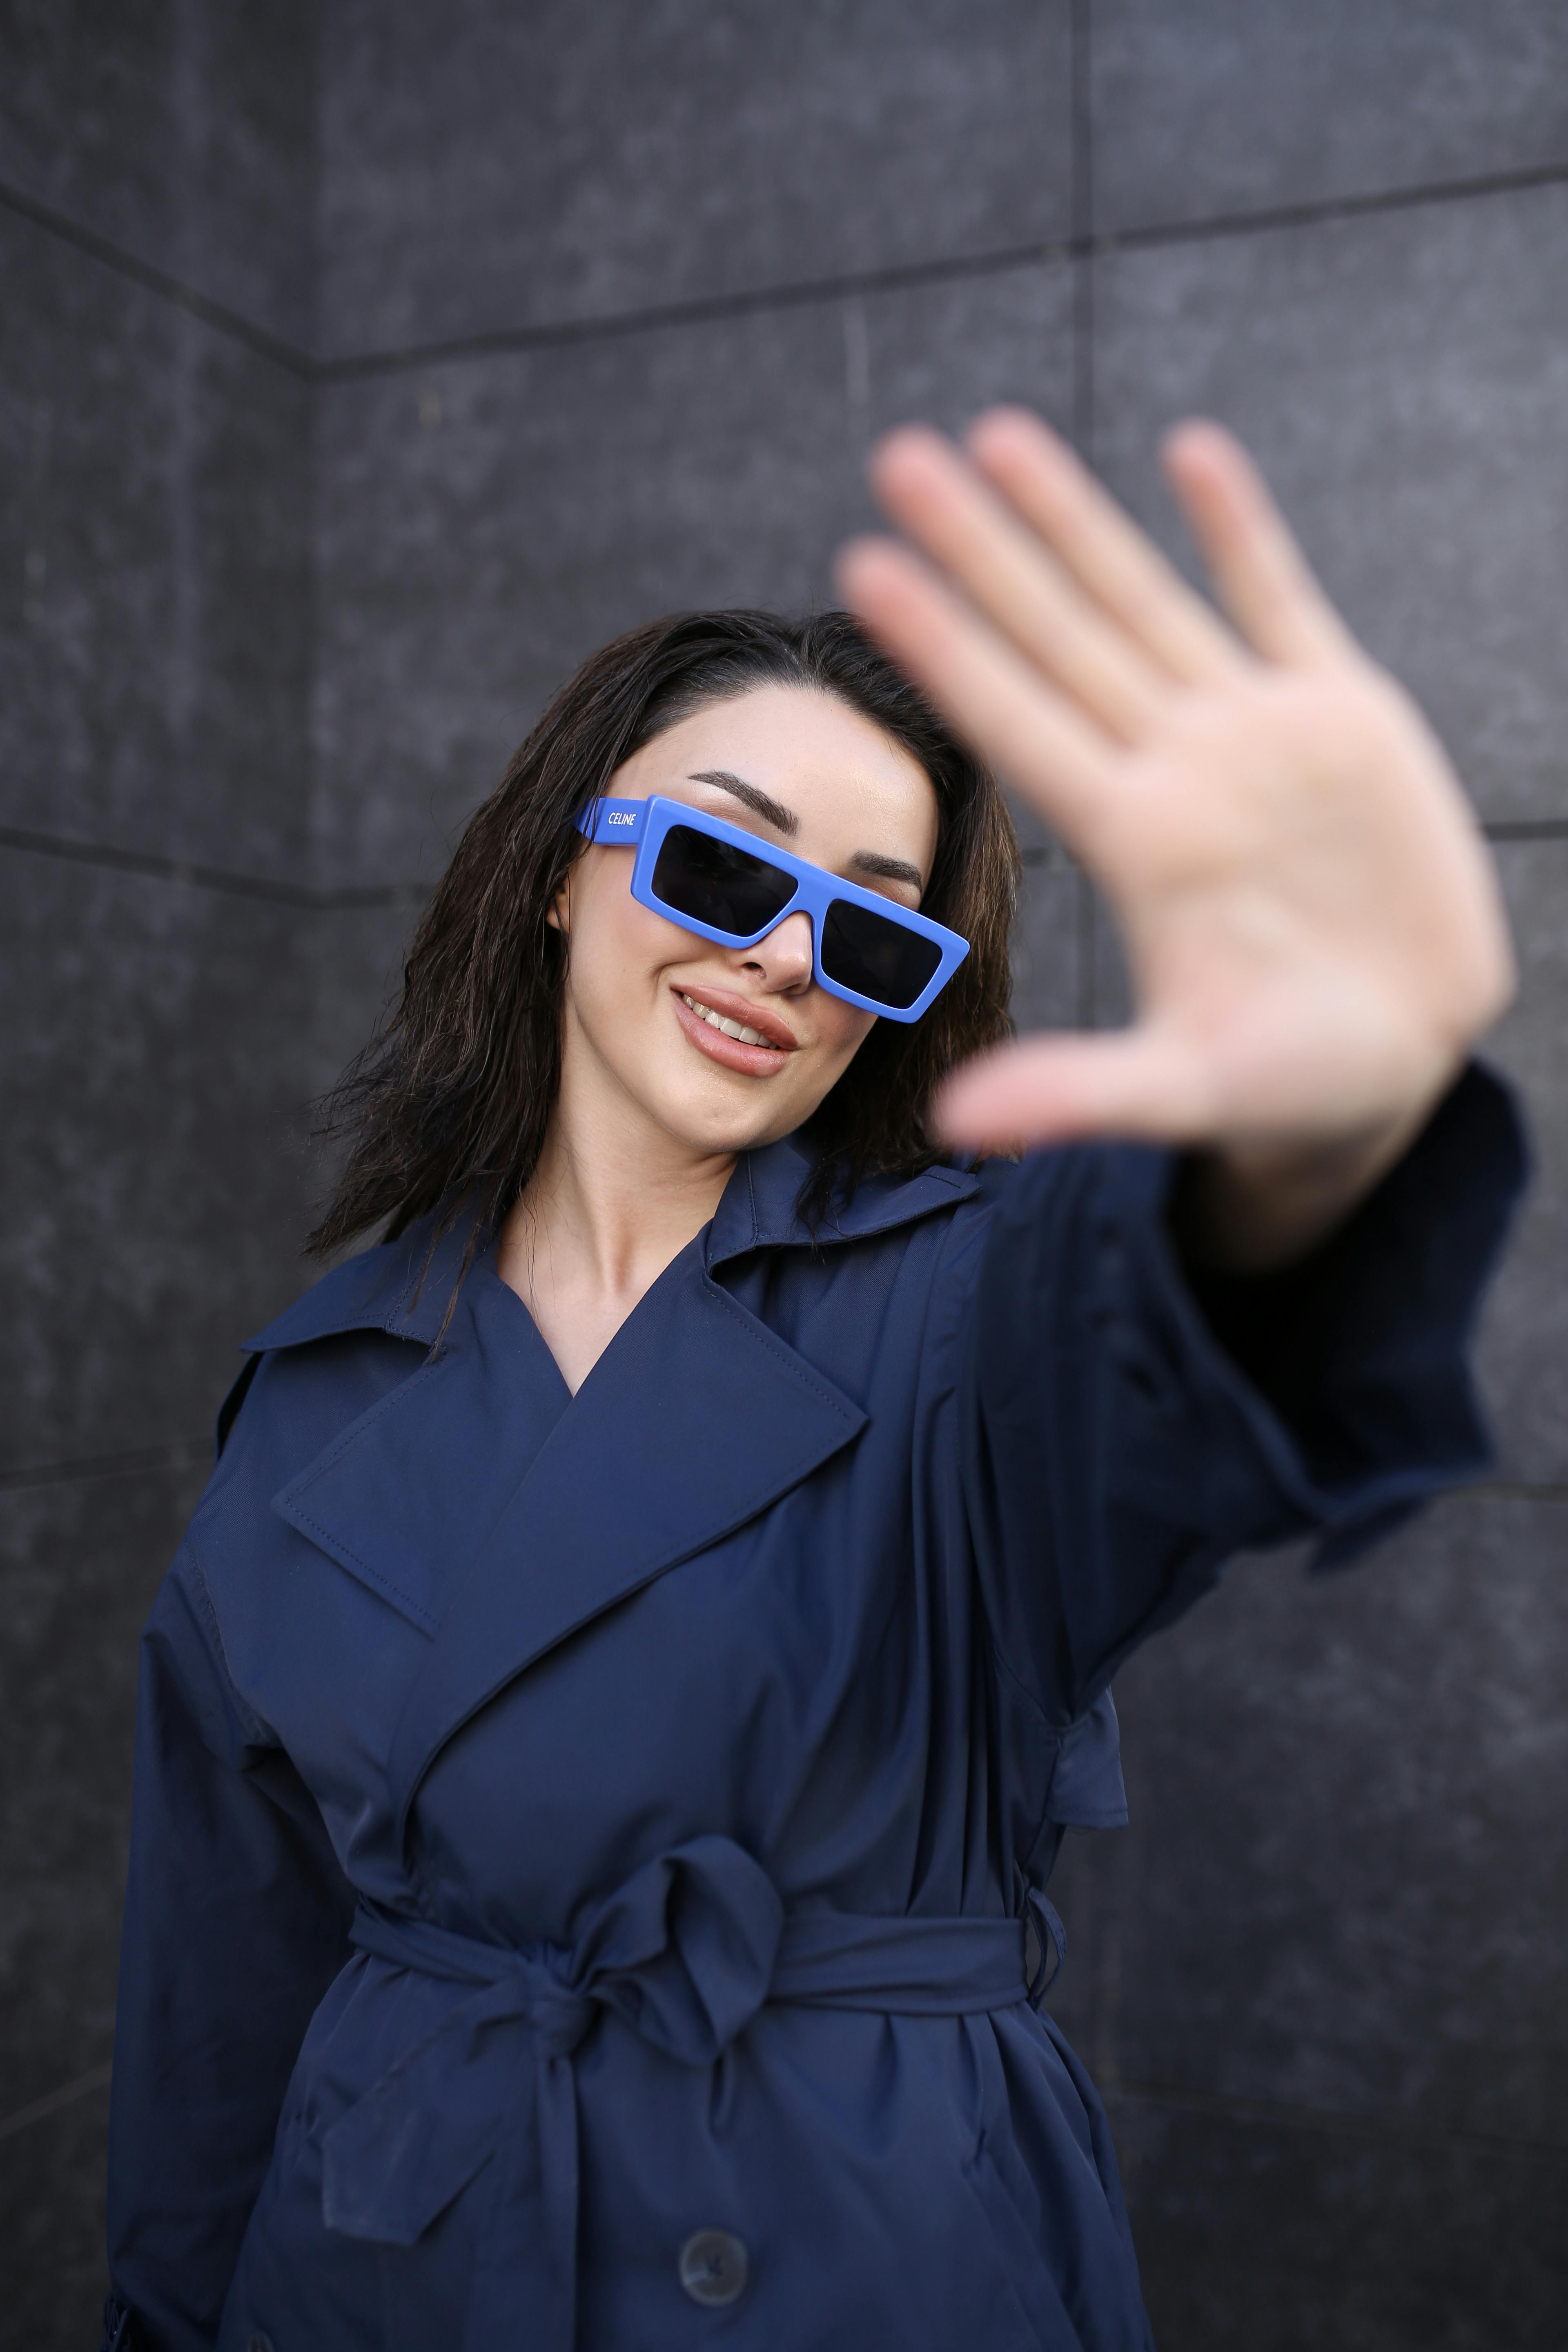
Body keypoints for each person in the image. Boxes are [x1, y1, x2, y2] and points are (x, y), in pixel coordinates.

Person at [102, 410, 1524, 2352]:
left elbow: (1173, 1344)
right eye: (716, 862)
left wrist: (1318, 1123)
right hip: (381, 2255)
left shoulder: (965, 1307)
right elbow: (217, 2003)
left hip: (850, 2254)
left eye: (866, 924)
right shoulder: (324, 1380)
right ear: (556, 873)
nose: (782, 955)